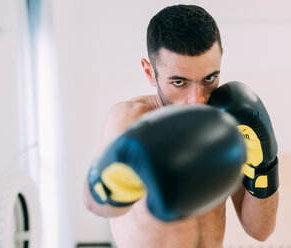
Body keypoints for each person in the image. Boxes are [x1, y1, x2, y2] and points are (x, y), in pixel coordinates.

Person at [83, 4, 279, 248]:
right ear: (149, 72)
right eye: (179, 82)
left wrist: (265, 166)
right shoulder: (131, 119)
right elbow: (96, 205)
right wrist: (121, 179)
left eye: (209, 78)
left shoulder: (227, 123)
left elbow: (260, 229)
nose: (197, 99)